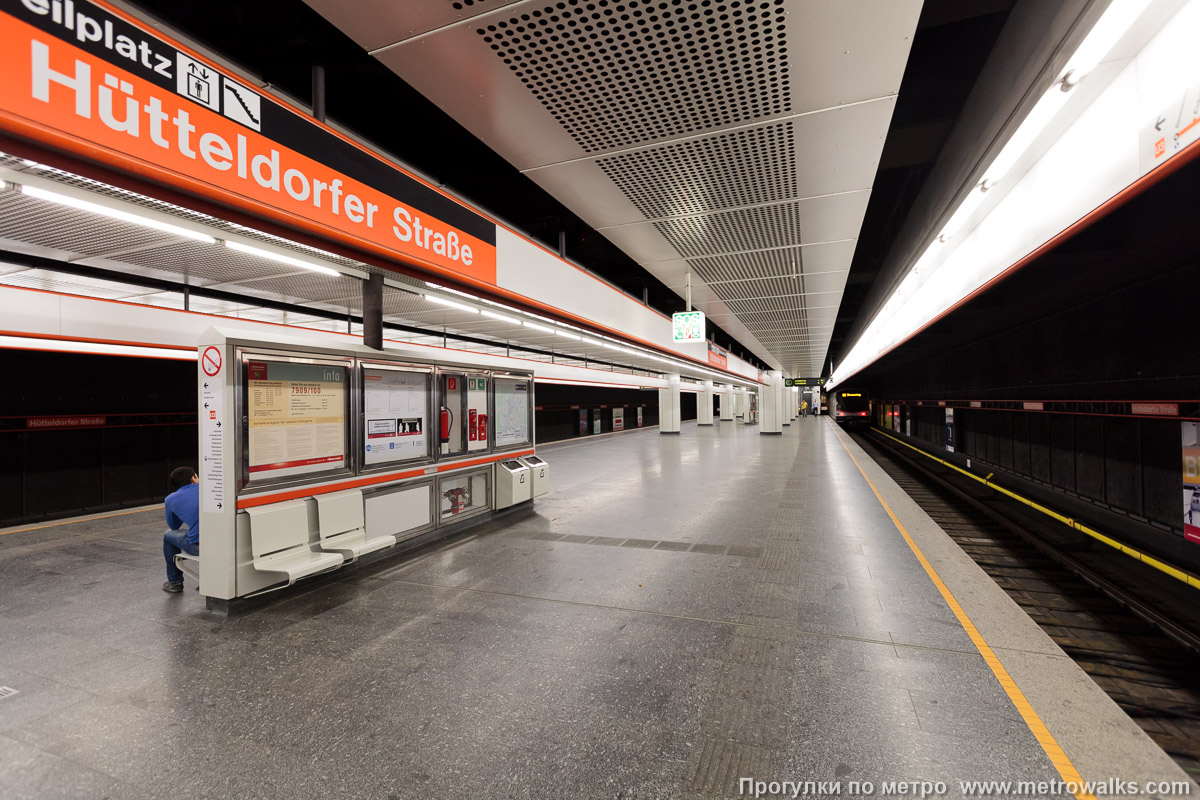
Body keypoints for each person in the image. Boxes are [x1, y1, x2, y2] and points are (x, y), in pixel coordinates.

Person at [162, 466, 200, 593]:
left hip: (199, 547)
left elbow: (174, 527)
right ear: (193, 478)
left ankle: (175, 582)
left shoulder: (171, 499)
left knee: (168, 536)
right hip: (226, 542)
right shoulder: (212, 490)